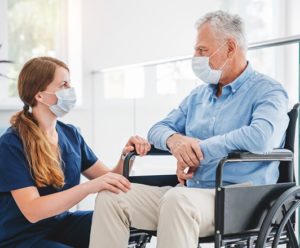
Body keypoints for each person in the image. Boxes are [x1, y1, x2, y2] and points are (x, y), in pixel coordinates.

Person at [89, 10, 289, 248]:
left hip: (241, 199)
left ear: (230, 48)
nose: (195, 57)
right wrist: (176, 142)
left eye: (202, 50)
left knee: (178, 200)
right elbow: (158, 129)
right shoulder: (198, 96)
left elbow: (261, 137)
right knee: (112, 196)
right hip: (190, 194)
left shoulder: (269, 91)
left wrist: (199, 149)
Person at [0, 56, 151, 248]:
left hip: (60, 225)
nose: (70, 90)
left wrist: (127, 155)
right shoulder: (12, 143)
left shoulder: (70, 134)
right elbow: (33, 211)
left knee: (119, 222)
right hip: (22, 237)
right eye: (63, 84)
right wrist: (89, 187)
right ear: (40, 95)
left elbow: (110, 178)